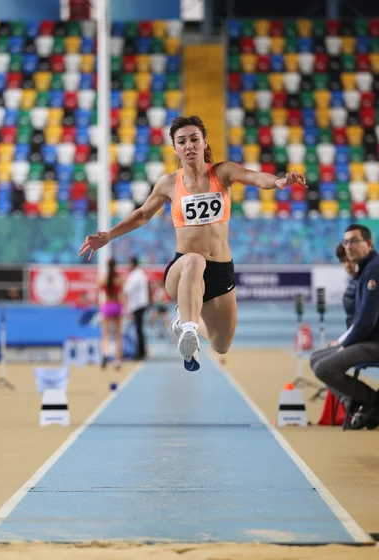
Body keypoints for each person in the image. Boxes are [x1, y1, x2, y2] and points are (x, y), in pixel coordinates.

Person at [79, 114, 306, 371]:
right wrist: (109, 235)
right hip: (183, 268)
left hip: (221, 272)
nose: (189, 145)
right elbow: (142, 214)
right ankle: (188, 329)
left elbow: (255, 178)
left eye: (194, 139)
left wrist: (278, 181)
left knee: (222, 345)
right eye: (182, 141)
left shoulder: (223, 172)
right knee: (195, 259)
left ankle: (186, 321)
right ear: (174, 147)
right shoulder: (169, 183)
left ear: (205, 142)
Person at [310, 224, 379, 429]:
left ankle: (373, 402)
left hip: (374, 341)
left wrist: (344, 343)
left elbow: (366, 321)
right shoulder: (366, 269)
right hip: (368, 339)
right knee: (315, 358)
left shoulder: (374, 270)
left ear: (368, 243)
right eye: (345, 242)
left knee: (324, 367)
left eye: (354, 241)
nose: (348, 246)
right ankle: (358, 405)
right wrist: (344, 342)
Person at [99, 257, 124, 369]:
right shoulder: (119, 278)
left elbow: (99, 292)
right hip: (117, 305)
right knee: (118, 335)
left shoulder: (103, 278)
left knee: (106, 334)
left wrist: (100, 308)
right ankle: (117, 360)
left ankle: (105, 353)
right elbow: (122, 295)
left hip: (107, 306)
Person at [123, 257, 149, 360]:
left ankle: (139, 352)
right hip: (140, 304)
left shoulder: (135, 275)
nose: (127, 266)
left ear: (133, 264)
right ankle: (141, 351)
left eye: (129, 264)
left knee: (137, 329)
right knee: (139, 329)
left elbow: (127, 289)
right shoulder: (141, 274)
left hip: (137, 305)